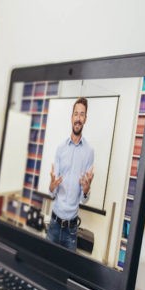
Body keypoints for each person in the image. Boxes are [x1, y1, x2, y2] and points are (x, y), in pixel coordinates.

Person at [46, 97, 95, 250]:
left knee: (67, 272)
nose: (78, 118)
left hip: (71, 231)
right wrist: (52, 186)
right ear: (71, 117)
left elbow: (84, 199)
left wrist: (86, 190)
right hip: (53, 224)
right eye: (76, 114)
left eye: (82, 114)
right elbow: (52, 192)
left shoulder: (89, 152)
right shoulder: (60, 148)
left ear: (85, 119)